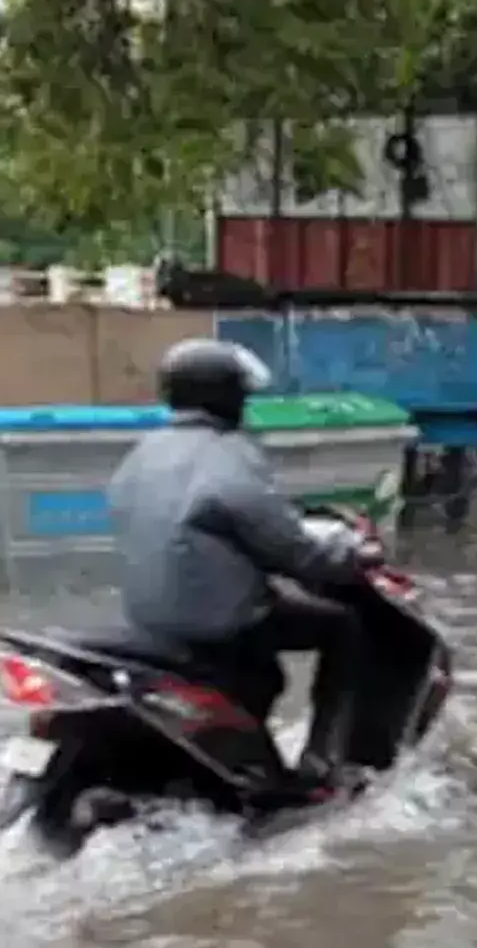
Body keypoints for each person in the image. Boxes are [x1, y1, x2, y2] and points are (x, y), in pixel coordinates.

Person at [111, 338, 379, 791]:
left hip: (150, 624)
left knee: (265, 672)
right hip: (219, 623)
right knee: (343, 627)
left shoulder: (144, 453)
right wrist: (351, 556)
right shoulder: (228, 455)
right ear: (227, 396)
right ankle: (325, 760)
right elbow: (294, 551)